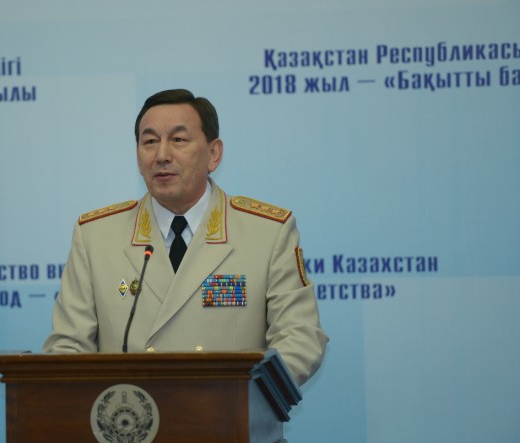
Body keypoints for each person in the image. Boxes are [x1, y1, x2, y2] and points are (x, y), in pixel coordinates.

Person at [42, 89, 327, 386]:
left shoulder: (267, 233)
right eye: (150, 142)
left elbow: (301, 339)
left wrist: (242, 396)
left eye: (178, 140)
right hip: (131, 412)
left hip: (227, 411)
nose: (162, 155)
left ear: (213, 154)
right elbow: (67, 348)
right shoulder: (96, 237)